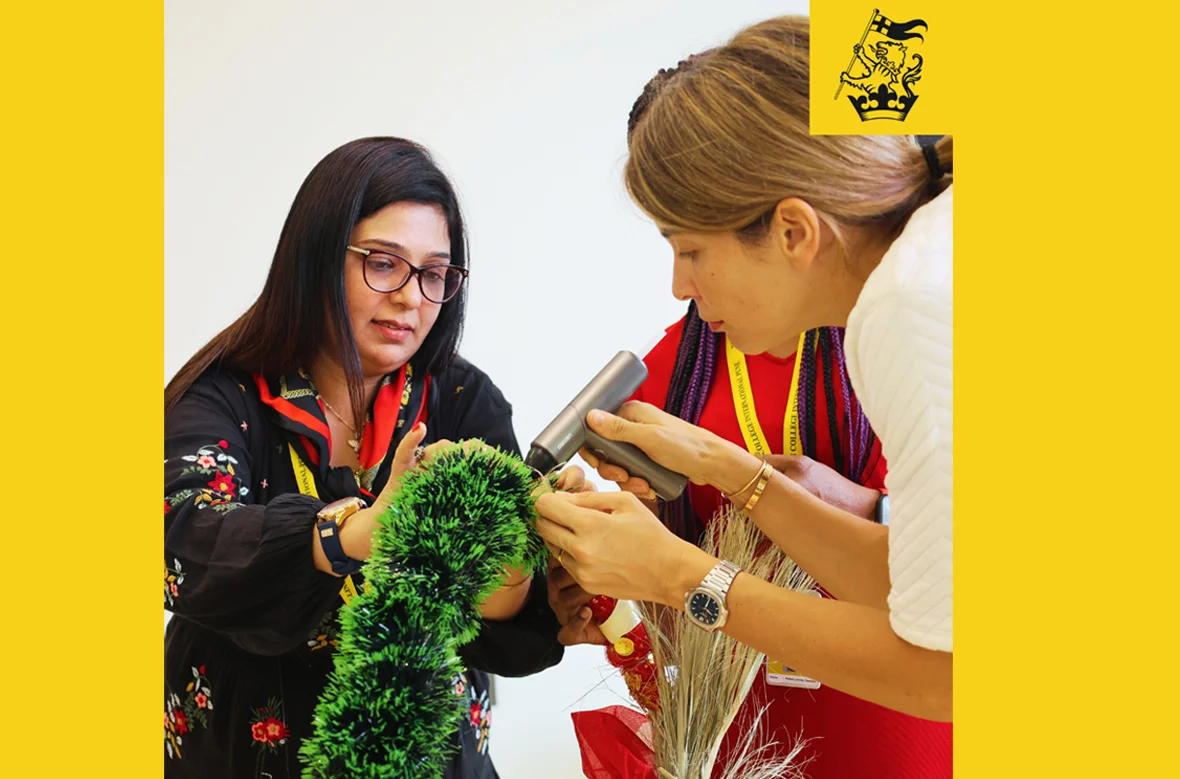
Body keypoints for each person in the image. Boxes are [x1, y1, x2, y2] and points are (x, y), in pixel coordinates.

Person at [536, 14, 953, 730]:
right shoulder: (932, 259)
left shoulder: (906, 306)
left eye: (691, 250)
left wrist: (676, 572)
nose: (679, 285)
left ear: (793, 230)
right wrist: (731, 469)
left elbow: (946, 676)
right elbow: (913, 589)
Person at [164, 137, 584, 779]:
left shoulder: (461, 398)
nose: (412, 297)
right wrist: (356, 532)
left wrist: (517, 552)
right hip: (246, 753)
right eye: (384, 264)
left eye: (435, 272)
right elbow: (183, 539)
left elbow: (505, 616)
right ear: (316, 261)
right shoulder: (226, 394)